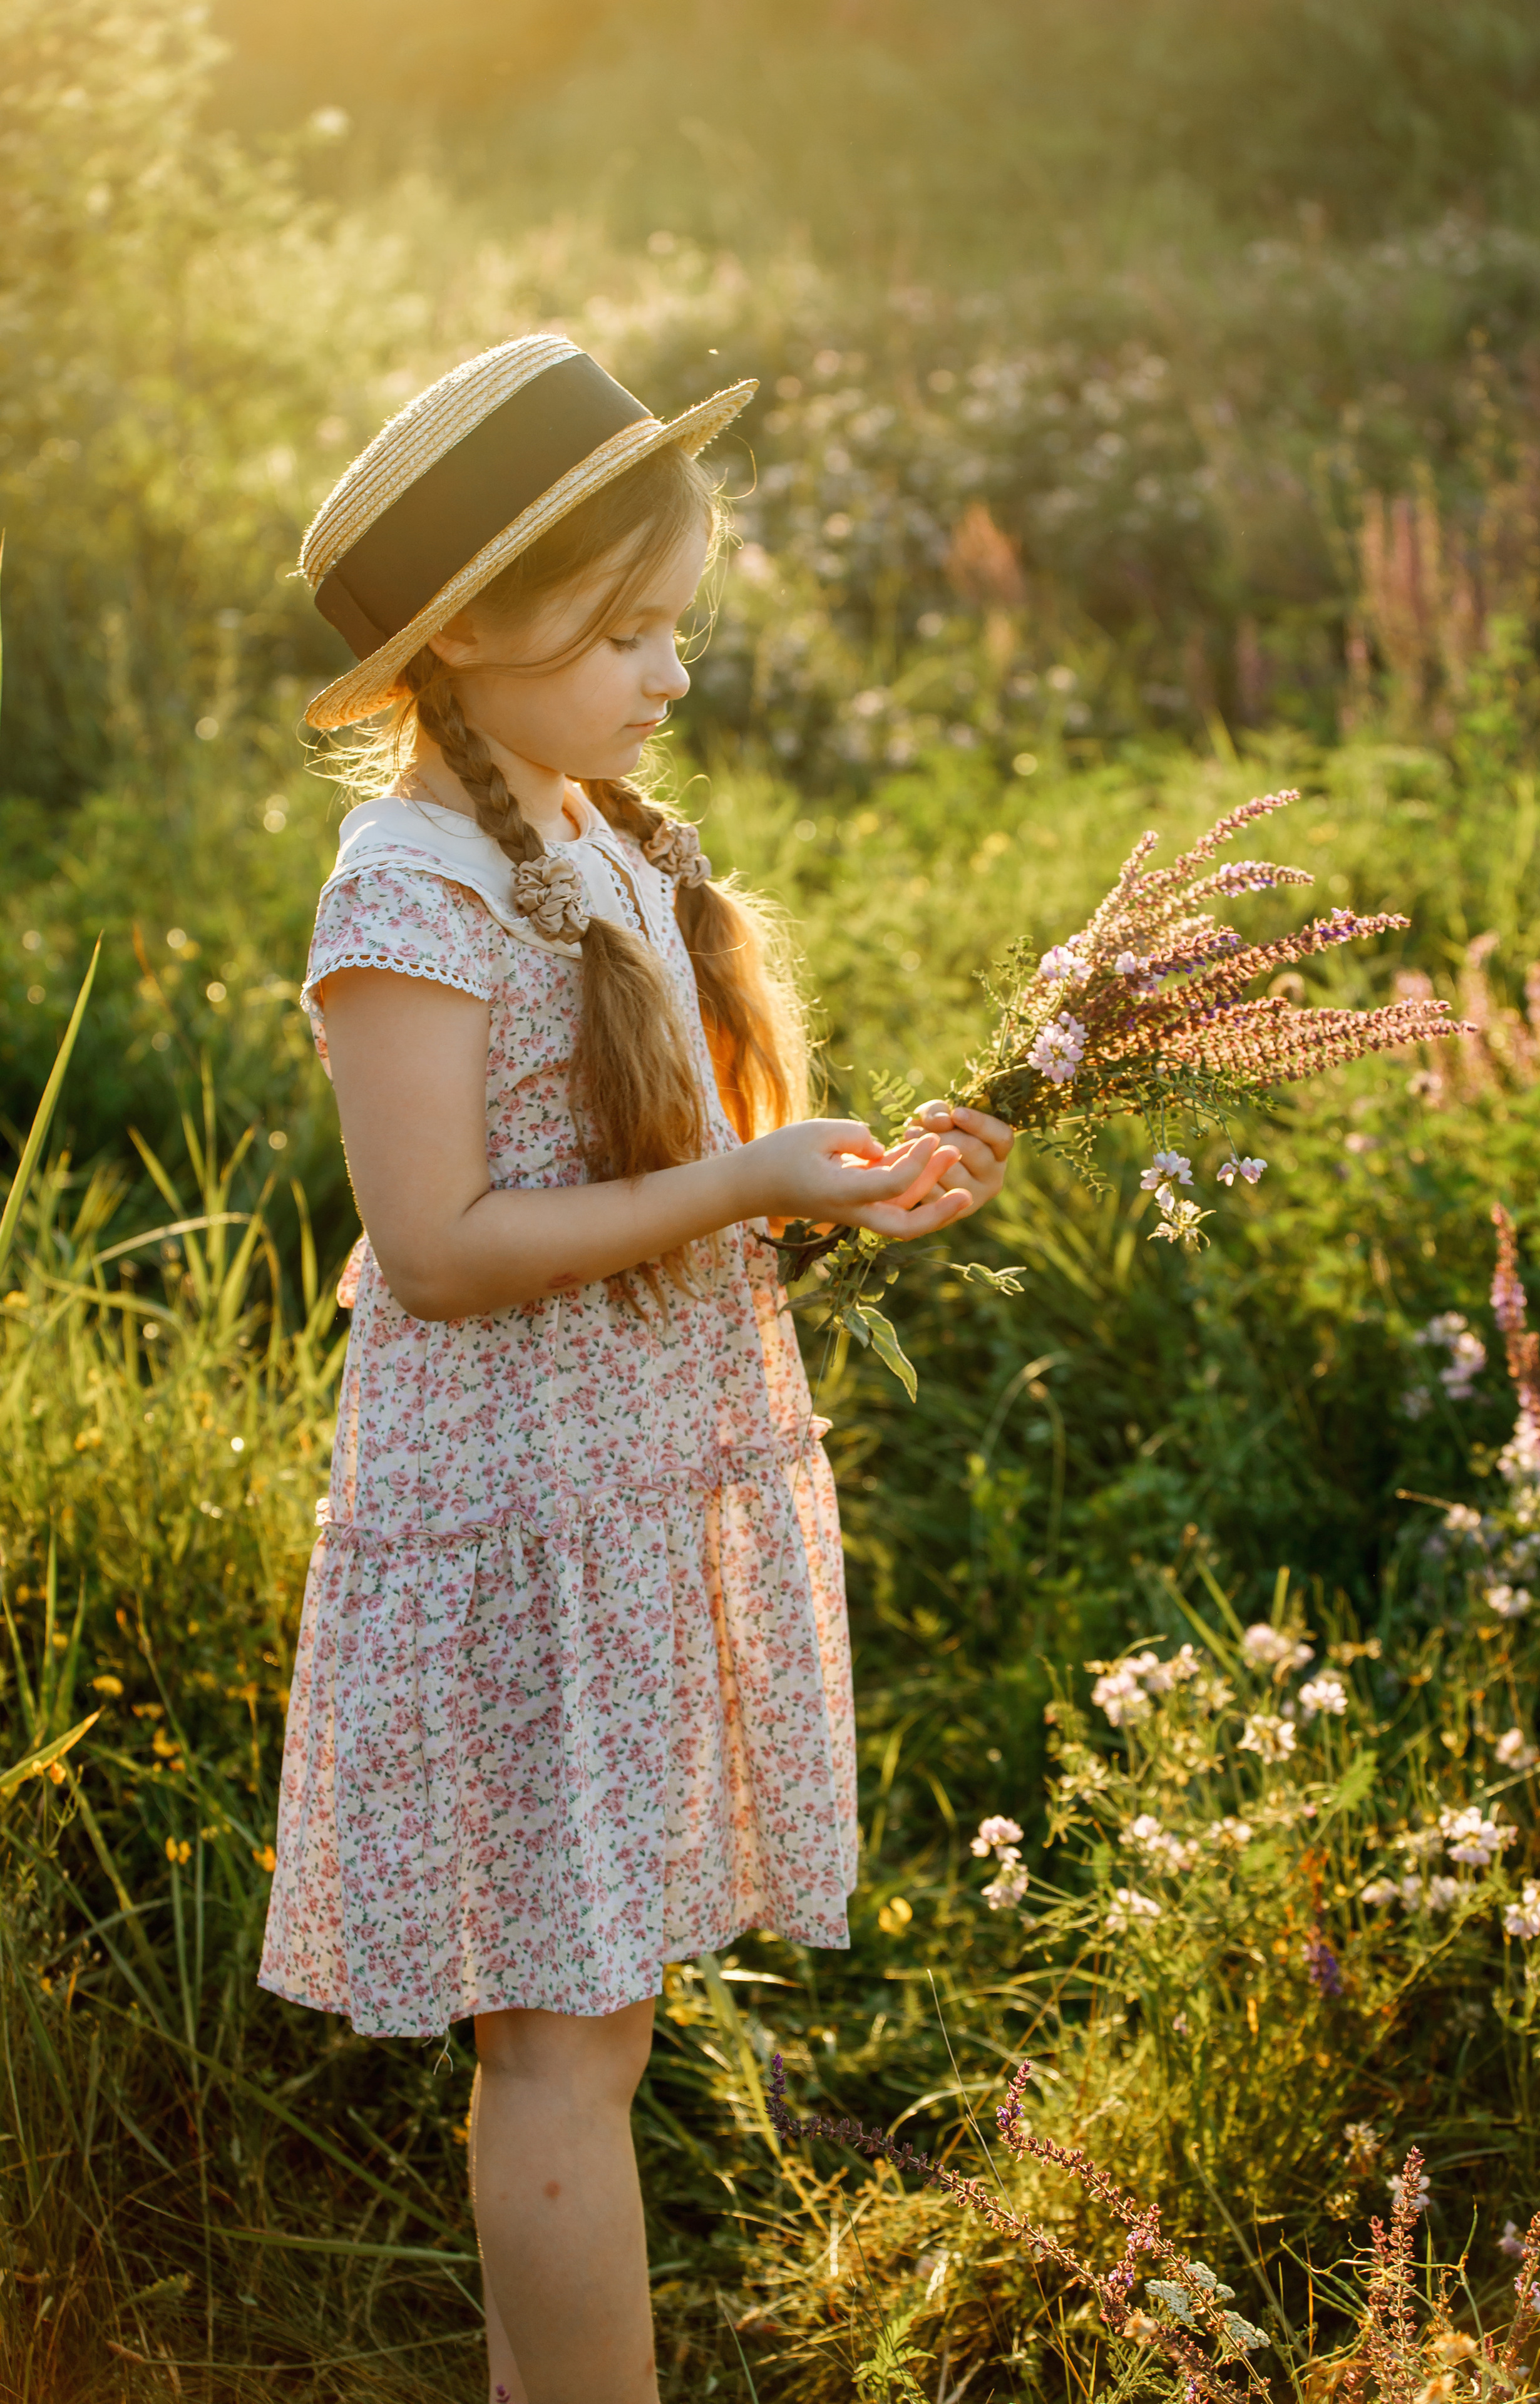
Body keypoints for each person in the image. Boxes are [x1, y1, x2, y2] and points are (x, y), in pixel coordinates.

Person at [257, 334, 1014, 2404]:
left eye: (676, 624)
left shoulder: (594, 830)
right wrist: (739, 1184)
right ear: (472, 637)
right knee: (560, 2045)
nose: (669, 673)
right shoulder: (409, 886)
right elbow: (441, 1248)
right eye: (625, 632)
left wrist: (839, 1182)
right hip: (519, 1511)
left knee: (595, 2019)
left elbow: (644, 1179)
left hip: (632, 1485)